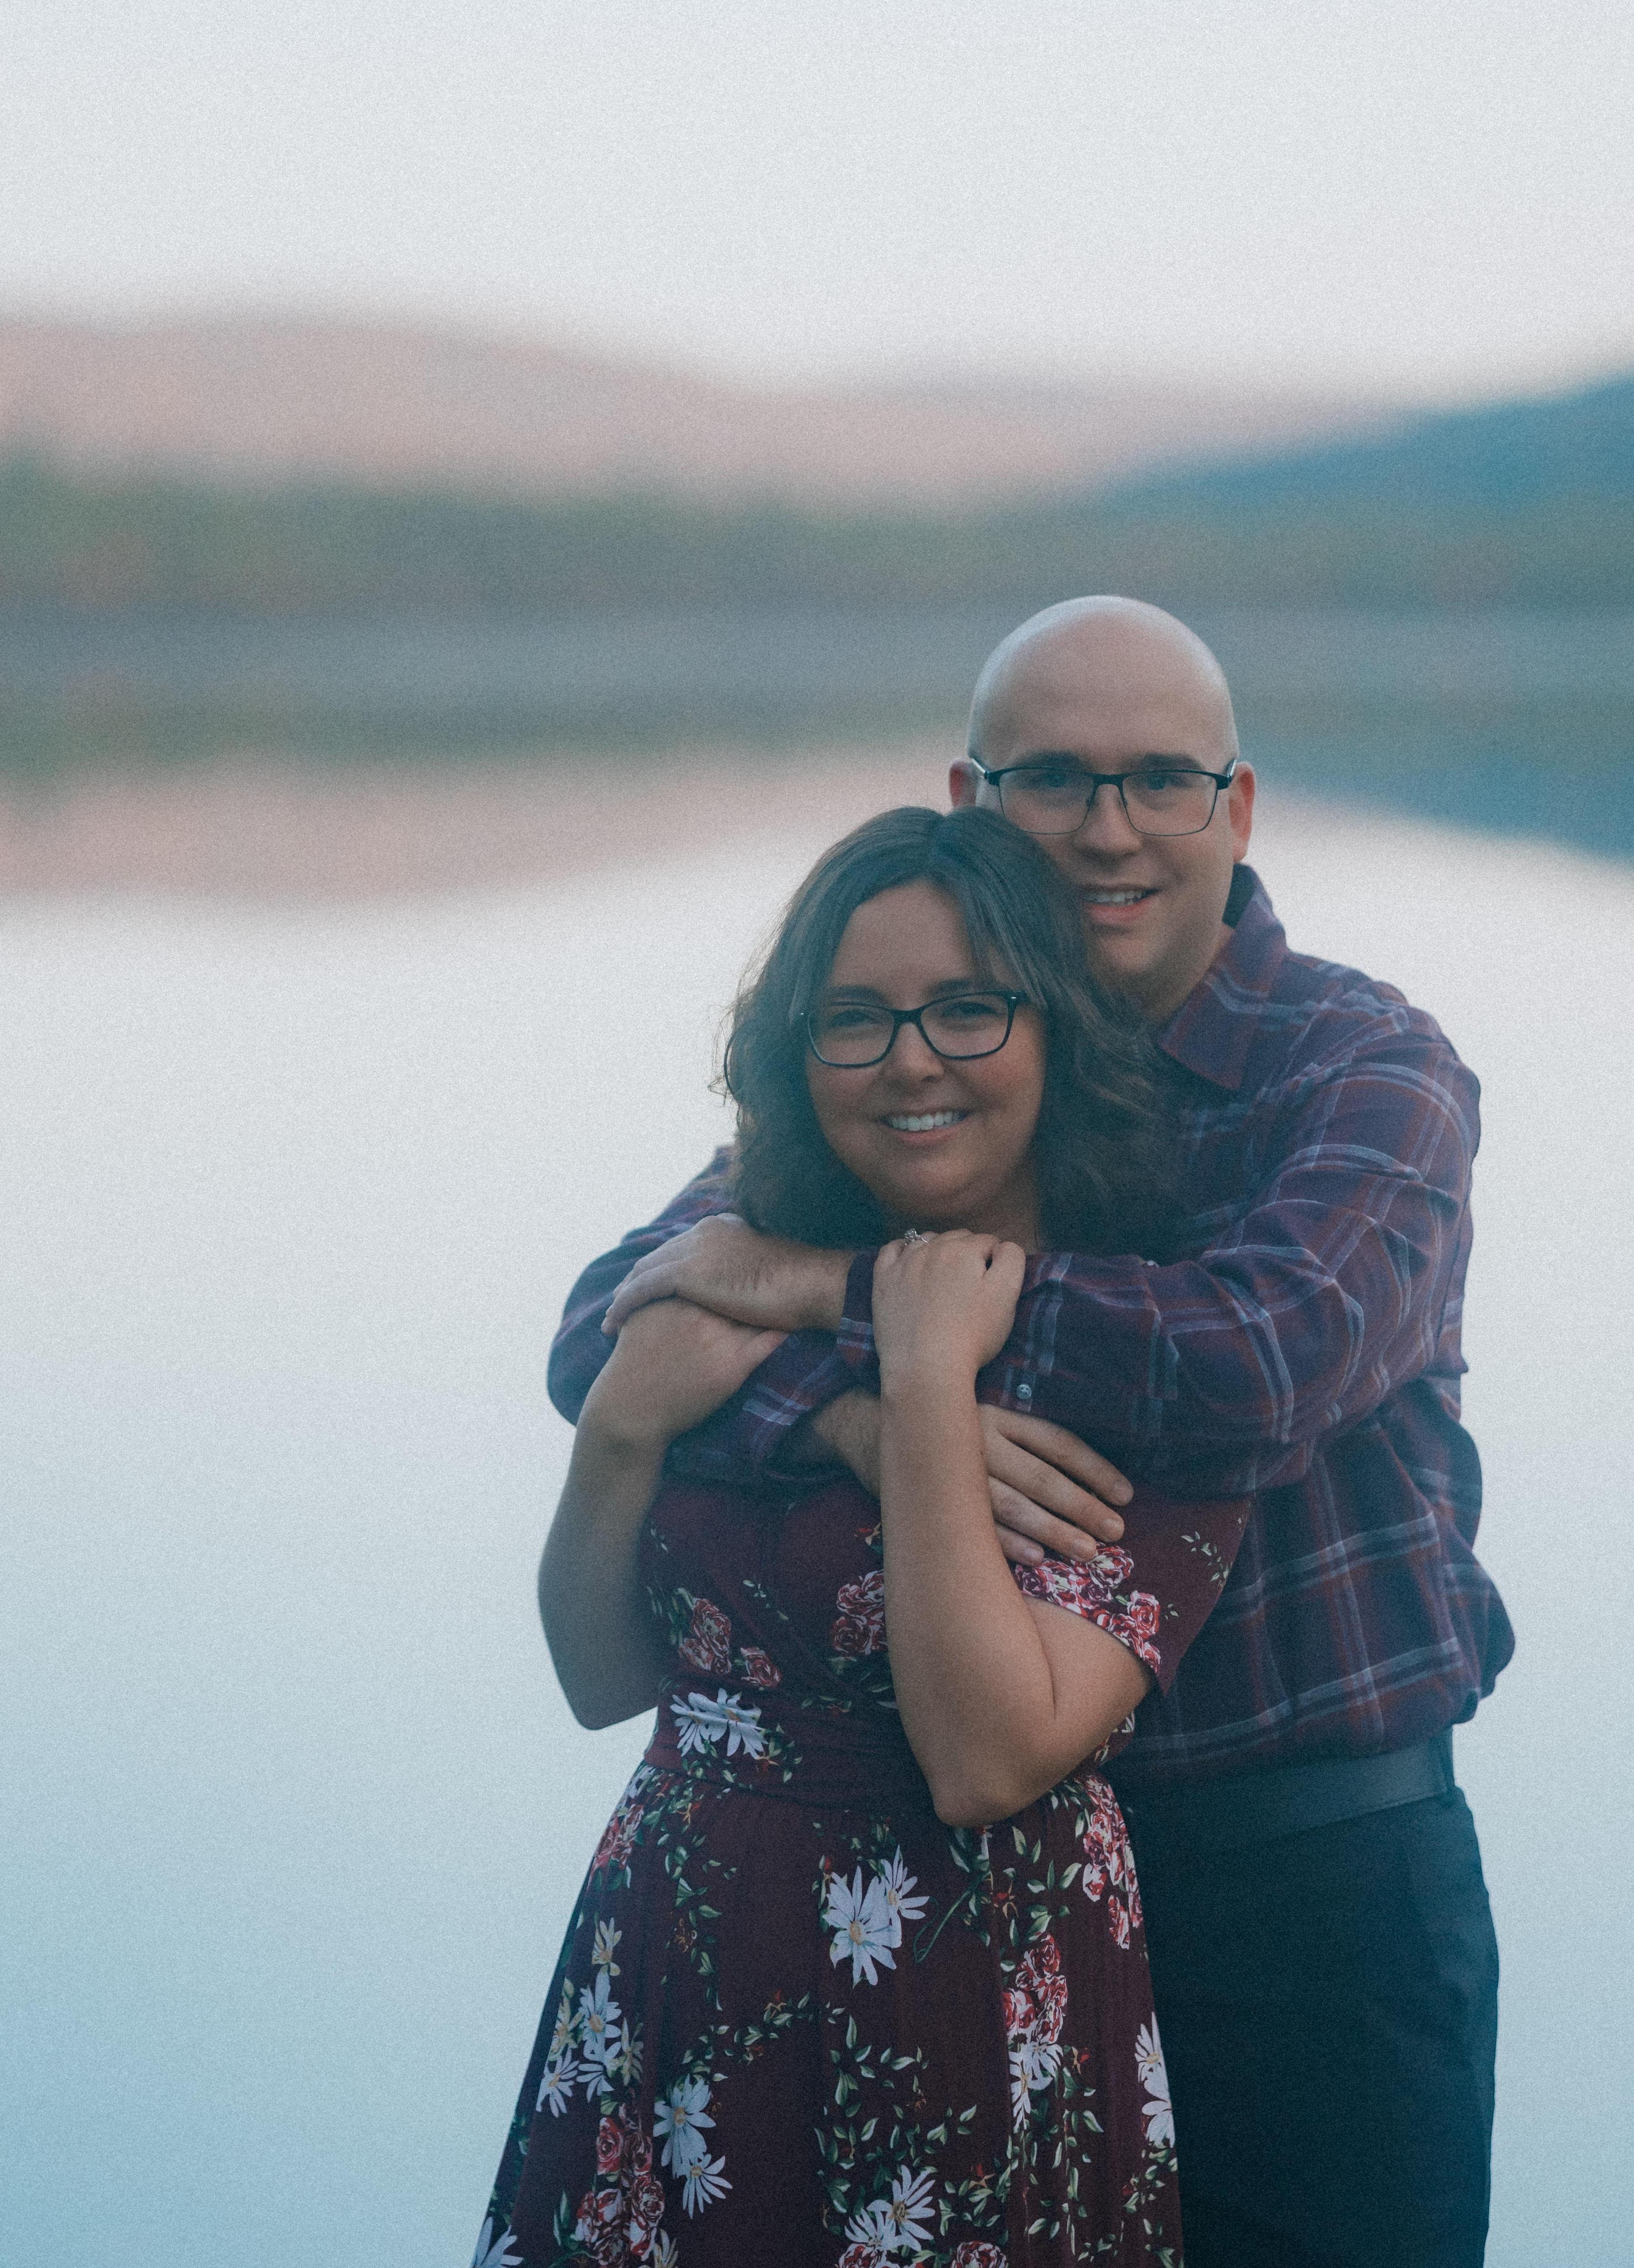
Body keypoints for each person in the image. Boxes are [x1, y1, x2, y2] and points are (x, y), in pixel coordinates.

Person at [551, 597, 1515, 2268]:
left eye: (1163, 780)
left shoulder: (1361, 1068)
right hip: (967, 1903)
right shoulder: (930, 1052)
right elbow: (612, 1326)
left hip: (1297, 1886)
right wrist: (860, 1416)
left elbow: (1252, 1368)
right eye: (1055, 779)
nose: (1111, 828)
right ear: (971, 798)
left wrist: (850, 1296)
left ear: (1242, 805)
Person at [479, 805, 1251, 2268]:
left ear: (1056, 1031)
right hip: (669, 1980)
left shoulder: (1152, 1361)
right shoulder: (734, 1280)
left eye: (969, 1009)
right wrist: (623, 1434)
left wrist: (919, 1388)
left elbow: (986, 1759)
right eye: (855, 1019)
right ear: (795, 1051)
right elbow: (603, 1679)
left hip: (967, 2013)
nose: (911, 1060)